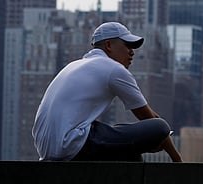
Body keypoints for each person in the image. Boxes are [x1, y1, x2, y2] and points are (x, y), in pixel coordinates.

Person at [32, 21, 182, 162]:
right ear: (109, 45)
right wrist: (177, 160)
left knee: (130, 152)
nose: (132, 53)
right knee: (160, 126)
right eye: (127, 46)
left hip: (47, 149)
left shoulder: (74, 65)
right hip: (72, 144)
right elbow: (151, 119)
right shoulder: (114, 69)